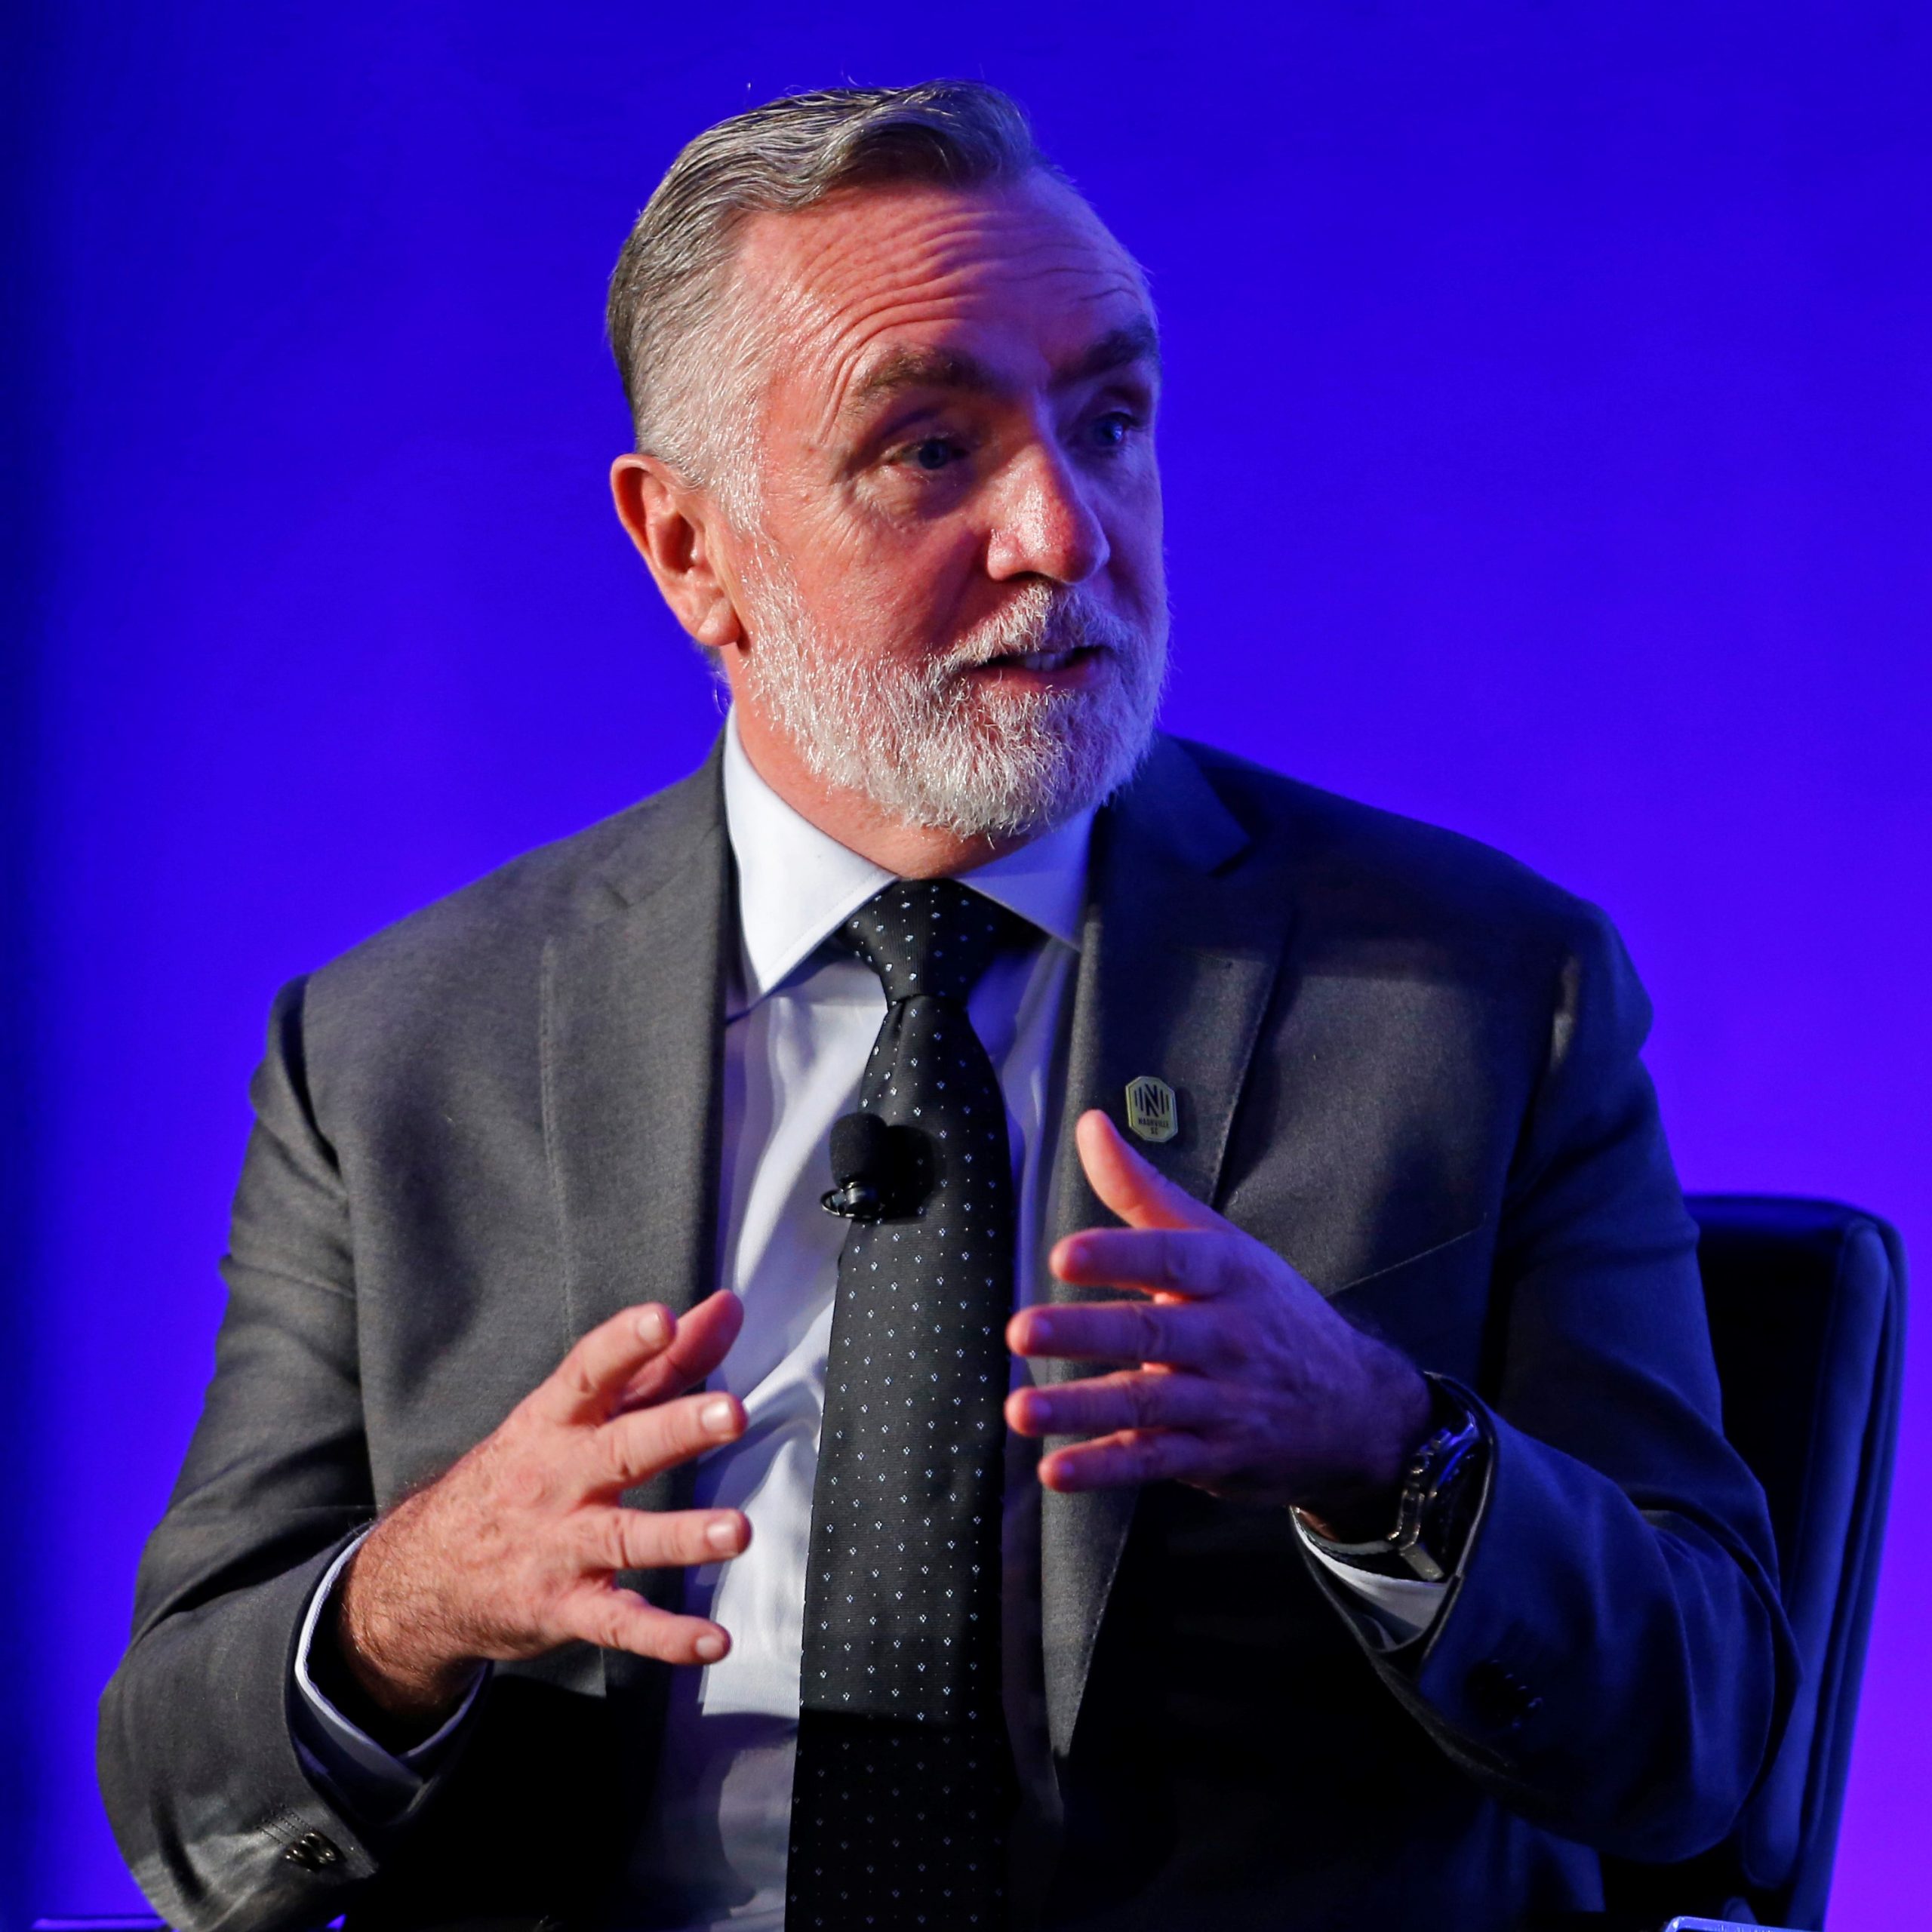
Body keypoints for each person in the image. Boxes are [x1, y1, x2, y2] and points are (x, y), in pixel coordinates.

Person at [99, 81, 1792, 1932]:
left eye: (1110, 421)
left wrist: (1389, 1446)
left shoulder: (1475, 990)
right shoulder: (395, 1047)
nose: (1063, 536)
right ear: (690, 552)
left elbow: (1704, 1743)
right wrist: (414, 1597)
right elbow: (183, 1805)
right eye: (928, 449)